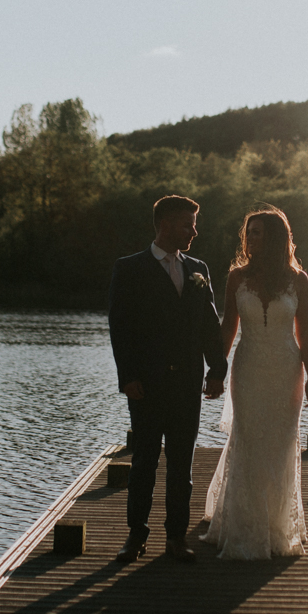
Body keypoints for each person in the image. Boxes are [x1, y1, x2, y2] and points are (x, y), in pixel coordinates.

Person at [107, 194, 227, 563]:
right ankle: (136, 535)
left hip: (188, 382)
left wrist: (217, 370)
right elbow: (120, 327)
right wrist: (127, 376)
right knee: (144, 462)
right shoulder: (129, 268)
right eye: (188, 223)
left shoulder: (198, 268)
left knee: (181, 464)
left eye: (194, 223)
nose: (194, 230)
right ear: (166, 224)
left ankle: (175, 537)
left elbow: (209, 324)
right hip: (145, 384)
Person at [201, 207, 308, 560]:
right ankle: (244, 530)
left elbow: (306, 331)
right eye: (248, 233)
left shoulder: (299, 280)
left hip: (286, 371)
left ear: (276, 237)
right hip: (249, 367)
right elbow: (228, 327)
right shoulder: (237, 278)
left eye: (258, 232)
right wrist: (216, 370)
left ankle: (276, 530)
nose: (250, 238)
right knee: (249, 441)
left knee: (280, 446)